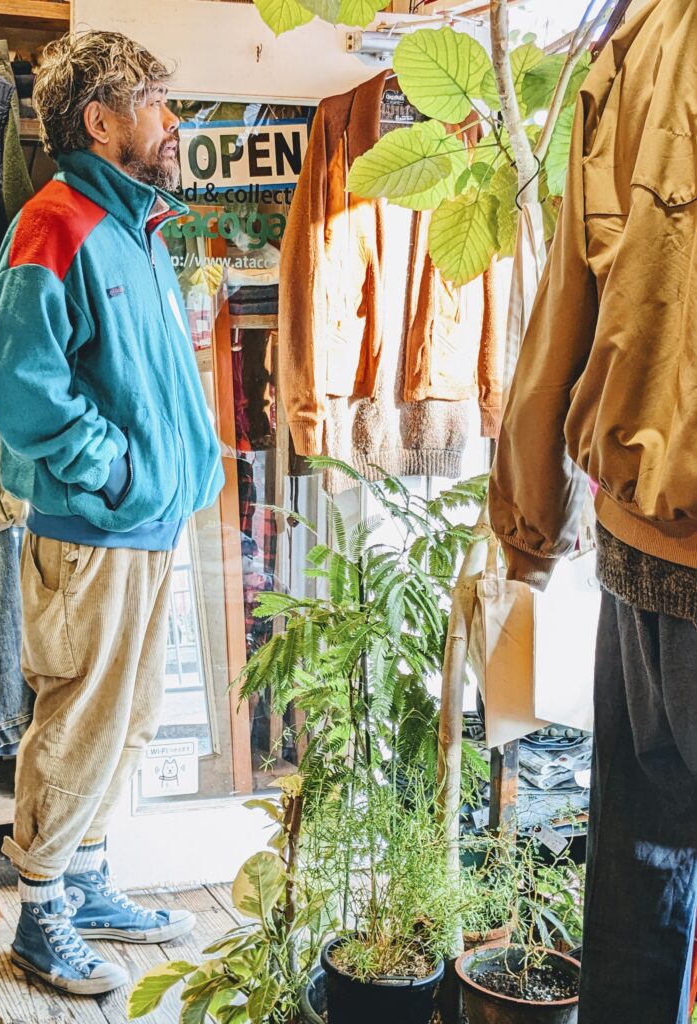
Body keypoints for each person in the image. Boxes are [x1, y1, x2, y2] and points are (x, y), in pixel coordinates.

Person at [0, 31, 224, 995]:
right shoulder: (56, 221)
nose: (173, 121)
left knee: (126, 721)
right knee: (79, 720)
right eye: (158, 102)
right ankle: (42, 916)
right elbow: (19, 380)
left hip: (142, 525)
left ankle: (83, 885)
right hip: (93, 532)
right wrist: (114, 471)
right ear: (101, 120)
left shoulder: (132, 223)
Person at [489, 1, 697, 1022]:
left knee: (637, 878)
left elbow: (564, 299)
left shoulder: (633, 35)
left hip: (635, 544)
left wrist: (530, 521)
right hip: (660, 537)